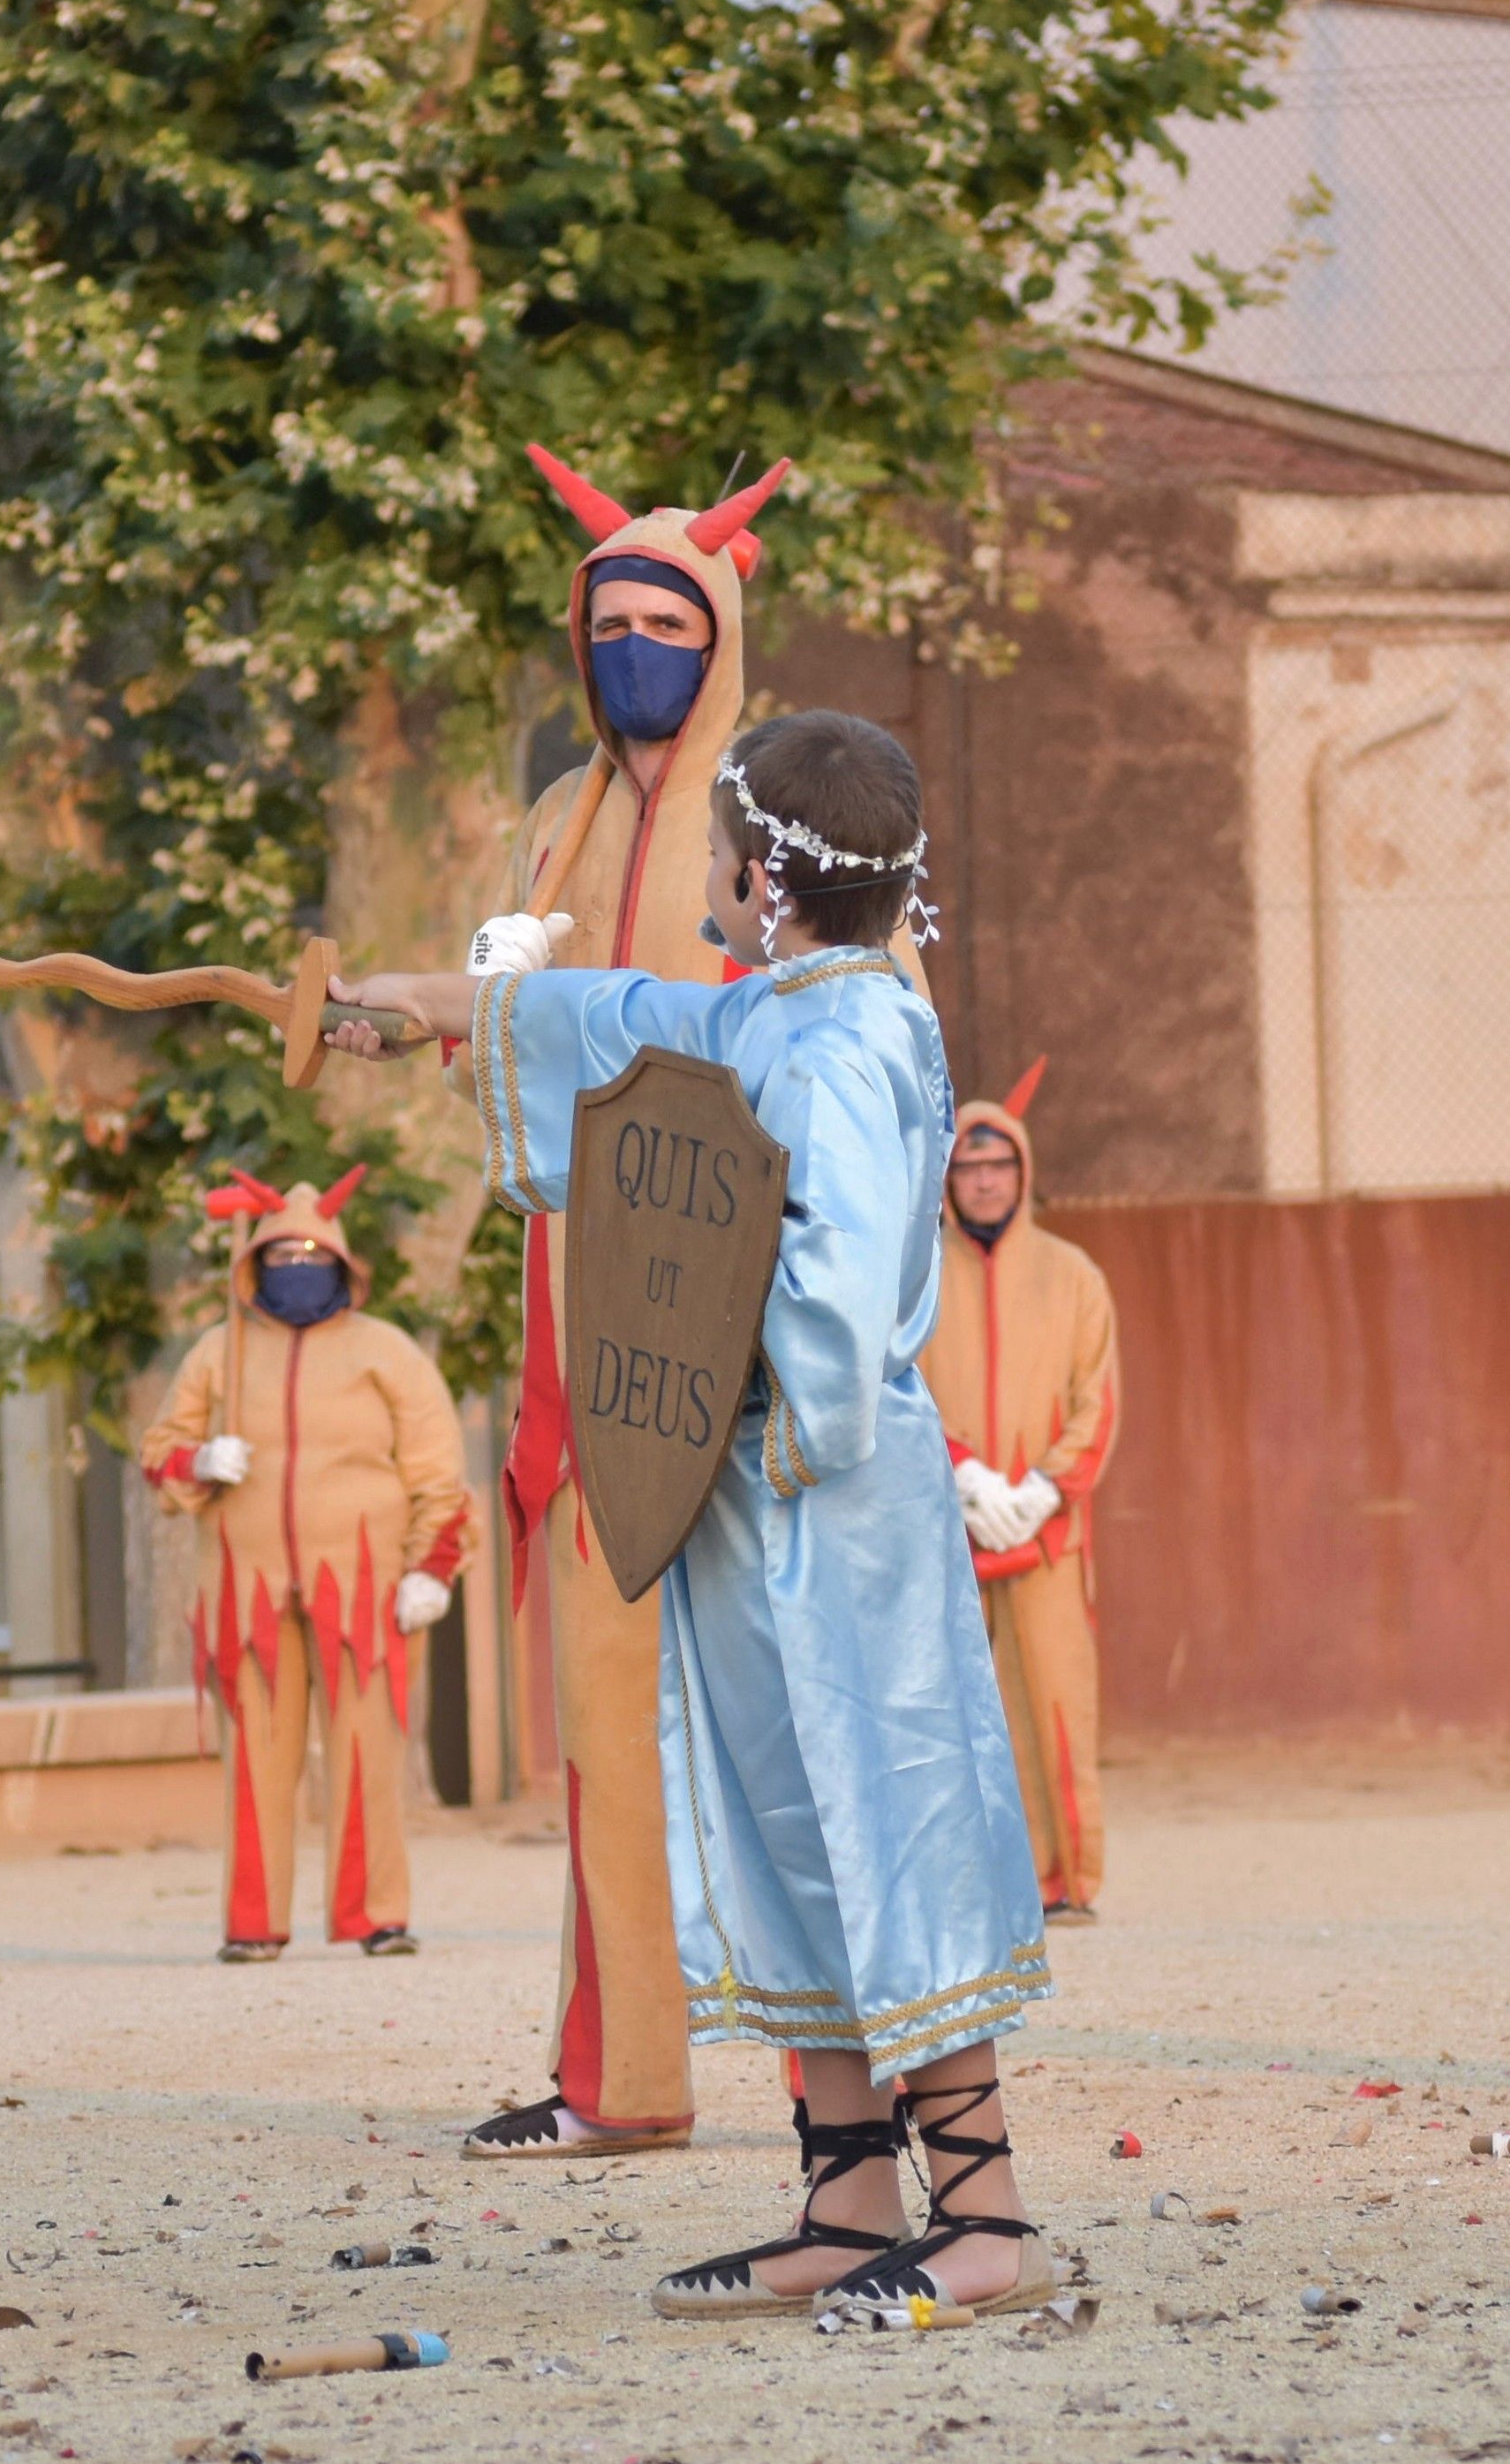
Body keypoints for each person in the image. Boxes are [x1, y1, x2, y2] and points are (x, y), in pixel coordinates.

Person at [341, 704, 1056, 2324]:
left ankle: (988, 2208)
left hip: (835, 1501)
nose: (709, 884)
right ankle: (848, 2189)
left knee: (886, 1823)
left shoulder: (851, 1041)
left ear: (761, 877)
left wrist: (754, 1410)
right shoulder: (778, 1014)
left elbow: (849, 1290)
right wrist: (428, 1007)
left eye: (722, 857)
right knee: (784, 1821)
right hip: (755, 1510)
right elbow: (616, 1019)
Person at [456, 449, 791, 2160]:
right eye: (611, 620)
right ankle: (620, 2072)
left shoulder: (779, 800)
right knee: (598, 1712)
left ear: (720, 624)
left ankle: (862, 2088)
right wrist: (460, 1012)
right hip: (572, 1320)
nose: (635, 646)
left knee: (781, 1713)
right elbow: (505, 1059)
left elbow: (837, 1029)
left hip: (728, 1318)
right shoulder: (550, 818)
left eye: (670, 617)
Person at [139, 1170, 466, 1961]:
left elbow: (438, 1469)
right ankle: (252, 1924)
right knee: (255, 1757)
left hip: (363, 1582)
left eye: (312, 1252)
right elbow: (157, 1456)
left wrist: (435, 1565)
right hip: (244, 1589)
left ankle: (374, 1915)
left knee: (367, 1749)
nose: (297, 1264)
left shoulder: (385, 1352)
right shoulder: (219, 1351)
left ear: (342, 1264)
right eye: (281, 1251)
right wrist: (198, 1458)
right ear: (253, 1261)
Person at [917, 1066, 1119, 1923]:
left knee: (1056, 1706)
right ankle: (987, 1885)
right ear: (948, 1179)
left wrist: (1040, 1490)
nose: (985, 1180)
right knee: (963, 1714)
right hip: (946, 1534)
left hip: (1045, 1535)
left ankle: (1067, 1881)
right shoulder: (917, 1275)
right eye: (967, 1167)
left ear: (1022, 1172)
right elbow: (902, 1389)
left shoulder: (1073, 1276)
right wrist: (959, 1471)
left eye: (998, 1165)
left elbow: (1096, 1403)